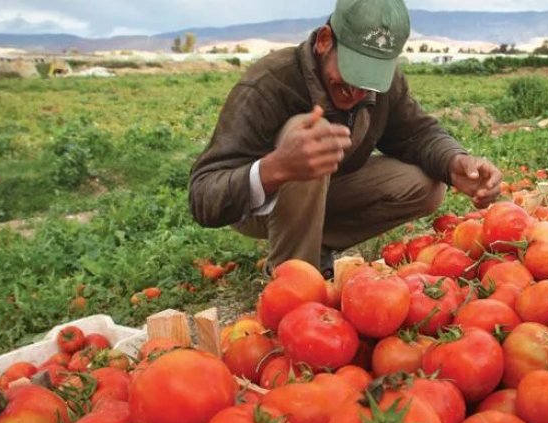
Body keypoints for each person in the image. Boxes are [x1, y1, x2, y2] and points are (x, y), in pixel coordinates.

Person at [189, 0, 502, 276]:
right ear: (325, 41)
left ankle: (315, 245)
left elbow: (416, 133)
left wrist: (455, 161)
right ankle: (293, 278)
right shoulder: (268, 84)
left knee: (426, 185)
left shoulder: (382, 84)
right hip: (261, 205)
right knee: (310, 134)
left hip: (328, 193)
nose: (357, 93)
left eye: (369, 81)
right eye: (352, 74)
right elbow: (204, 196)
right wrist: (276, 167)